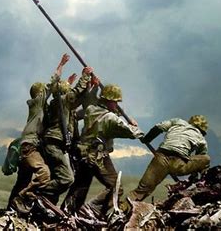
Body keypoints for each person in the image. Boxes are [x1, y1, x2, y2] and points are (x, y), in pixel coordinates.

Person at [62, 84, 143, 217]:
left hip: (84, 155)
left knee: (80, 187)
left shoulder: (91, 110)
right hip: (98, 156)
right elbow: (131, 133)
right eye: (115, 102)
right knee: (116, 187)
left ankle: (67, 213)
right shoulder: (110, 119)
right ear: (109, 101)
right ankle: (92, 209)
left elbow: (104, 114)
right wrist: (134, 126)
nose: (116, 104)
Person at [8, 54, 70, 212]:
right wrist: (61, 64)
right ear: (40, 93)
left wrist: (67, 84)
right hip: (30, 146)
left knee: (22, 180)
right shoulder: (37, 103)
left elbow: (56, 93)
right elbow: (51, 84)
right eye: (44, 92)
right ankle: (22, 197)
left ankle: (11, 208)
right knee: (44, 173)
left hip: (29, 146)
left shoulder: (39, 108)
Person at [127, 115, 210, 202]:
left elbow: (159, 127)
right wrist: (194, 177)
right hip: (178, 164)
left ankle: (121, 211)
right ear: (202, 130)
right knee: (206, 159)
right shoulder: (201, 138)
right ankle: (203, 183)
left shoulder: (177, 122)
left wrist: (146, 139)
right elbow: (200, 159)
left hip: (161, 158)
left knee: (141, 191)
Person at [41, 66, 94, 204]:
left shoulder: (60, 106)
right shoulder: (62, 102)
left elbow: (83, 109)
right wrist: (85, 76)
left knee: (58, 177)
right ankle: (36, 192)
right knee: (66, 179)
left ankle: (46, 204)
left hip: (56, 145)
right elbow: (75, 93)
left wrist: (90, 88)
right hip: (54, 145)